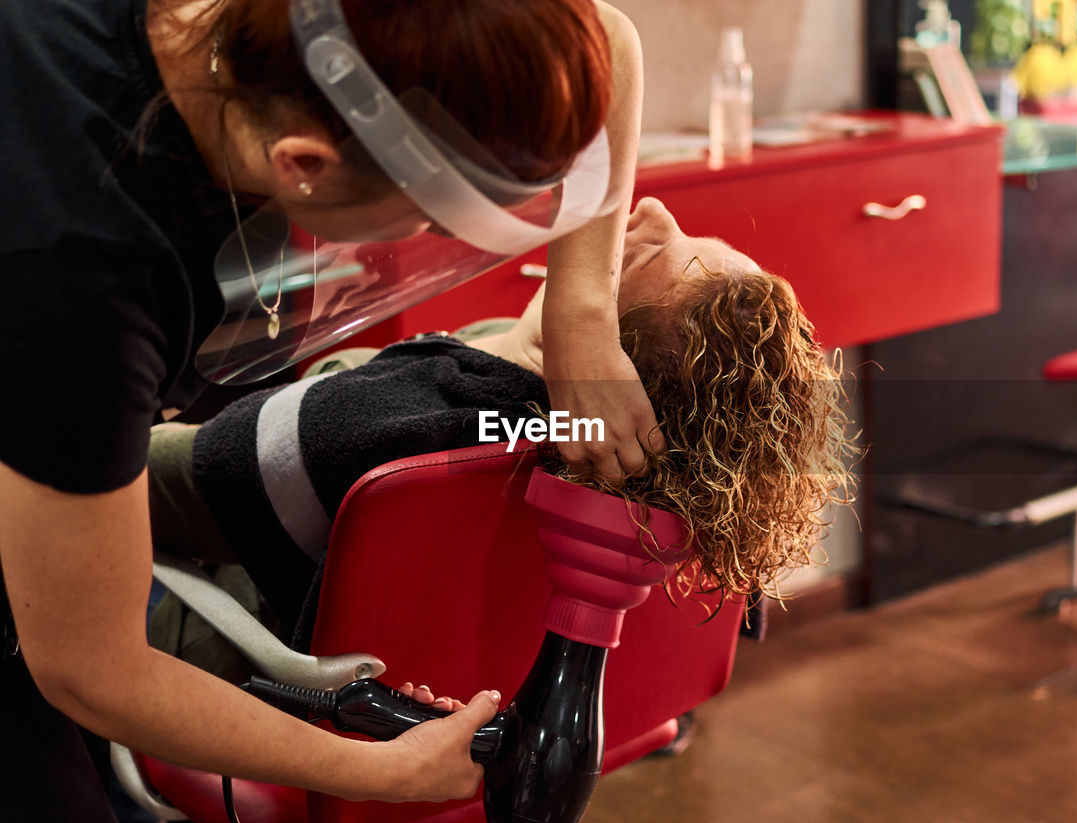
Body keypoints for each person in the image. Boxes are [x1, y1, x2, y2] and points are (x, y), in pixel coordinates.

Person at [0, 1, 657, 823]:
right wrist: (381, 771)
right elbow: (91, 666)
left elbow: (608, 34)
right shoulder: (81, 282)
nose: (429, 237)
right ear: (305, 163)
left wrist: (582, 312)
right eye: (427, 219)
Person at [148, 198, 857, 650]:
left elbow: (154, 480)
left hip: (206, 641)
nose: (651, 208)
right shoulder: (684, 476)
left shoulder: (393, 423)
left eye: (639, 254)